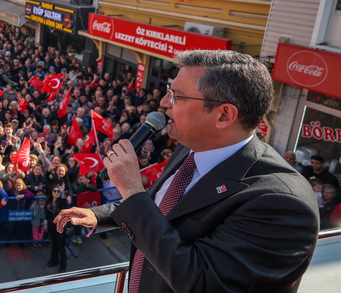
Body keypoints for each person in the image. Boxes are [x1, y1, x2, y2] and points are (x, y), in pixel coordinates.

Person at [54, 50, 319, 293]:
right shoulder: (189, 148)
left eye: (178, 96)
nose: (164, 103)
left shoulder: (282, 203)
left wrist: (133, 191)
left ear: (224, 115)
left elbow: (202, 283)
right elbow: (168, 210)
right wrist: (100, 214)